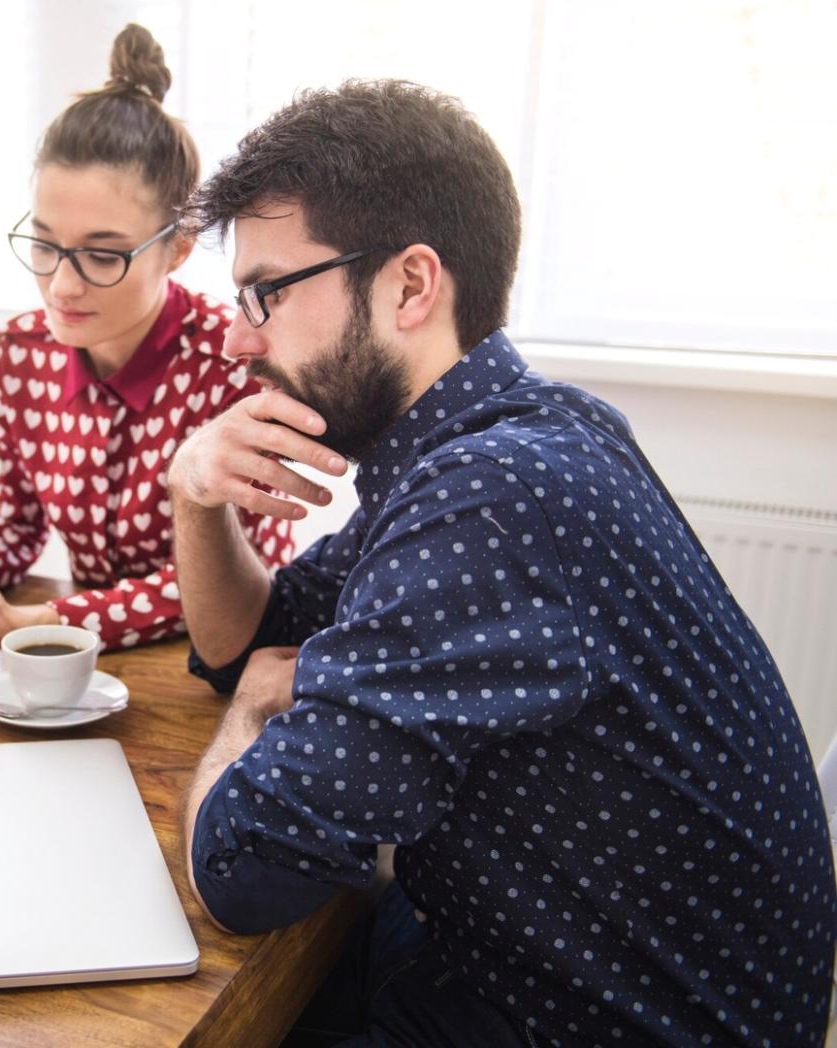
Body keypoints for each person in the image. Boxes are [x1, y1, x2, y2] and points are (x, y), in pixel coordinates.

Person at [169, 80, 836, 1045]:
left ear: (409, 284)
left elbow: (242, 869)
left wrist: (248, 714)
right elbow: (255, 639)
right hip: (535, 957)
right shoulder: (508, 439)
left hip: (582, 1017)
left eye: (267, 292)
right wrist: (196, 496)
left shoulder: (494, 497)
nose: (238, 339)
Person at [0, 24, 296, 651]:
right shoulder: (24, 352)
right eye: (45, 245)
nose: (62, 286)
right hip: (74, 670)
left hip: (219, 669)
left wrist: (23, 625)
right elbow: (18, 524)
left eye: (103, 256)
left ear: (177, 248)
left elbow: (252, 577)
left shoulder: (236, 363)